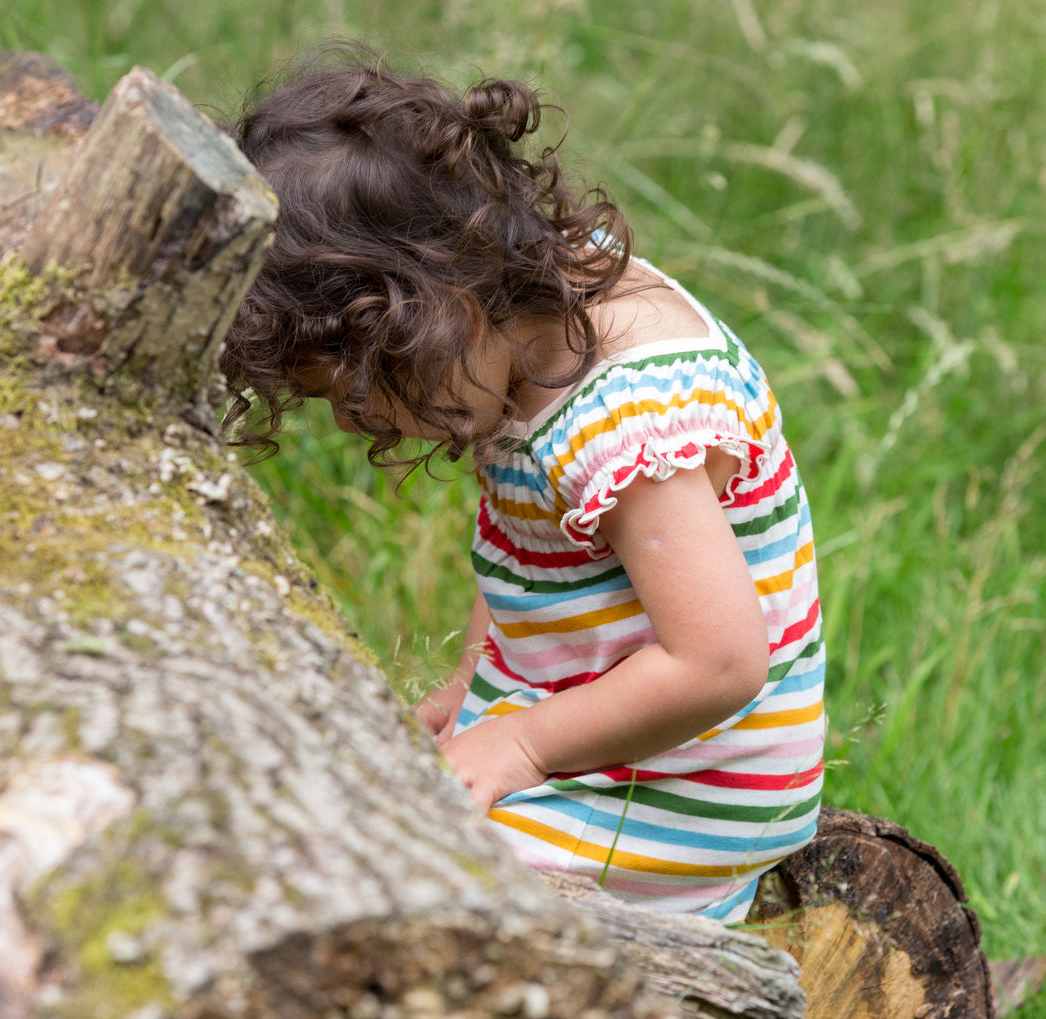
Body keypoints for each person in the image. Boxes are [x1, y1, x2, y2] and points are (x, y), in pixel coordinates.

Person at [222, 45, 826, 922]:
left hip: (680, 792)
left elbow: (719, 662)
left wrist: (526, 747)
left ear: (431, 314)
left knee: (385, 895)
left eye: (354, 392)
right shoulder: (527, 320)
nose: (355, 423)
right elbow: (530, 560)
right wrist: (476, 686)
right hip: (609, 745)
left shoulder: (624, 422)